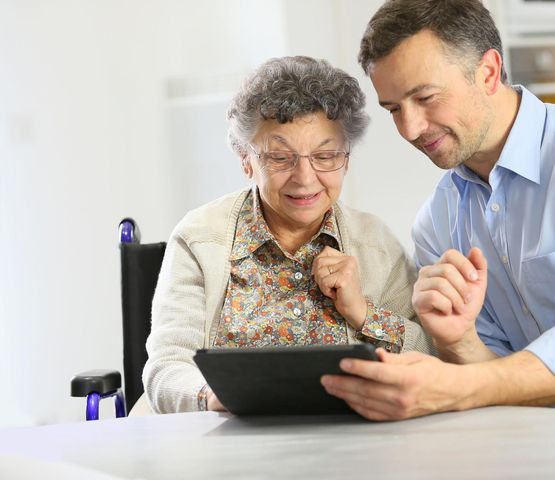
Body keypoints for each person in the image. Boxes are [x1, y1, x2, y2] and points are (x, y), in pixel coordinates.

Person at [321, 0, 555, 420]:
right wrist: (461, 342)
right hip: (545, 430)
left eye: (424, 97)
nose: (410, 129)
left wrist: (450, 386)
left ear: (488, 72)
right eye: (394, 109)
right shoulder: (436, 222)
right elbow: (499, 374)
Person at [142, 56, 434, 413]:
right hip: (230, 447)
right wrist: (216, 397)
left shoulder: (374, 243)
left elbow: (429, 356)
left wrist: (362, 313)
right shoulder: (200, 237)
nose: (306, 178)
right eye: (280, 158)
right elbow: (167, 367)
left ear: (347, 158)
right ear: (245, 159)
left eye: (325, 155)